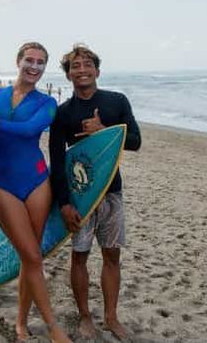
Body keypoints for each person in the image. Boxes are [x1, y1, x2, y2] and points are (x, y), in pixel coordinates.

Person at [0, 42, 72, 343]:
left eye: (41, 62)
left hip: (37, 183)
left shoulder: (47, 104)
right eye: (29, 60)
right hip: (1, 183)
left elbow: (32, 130)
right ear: (18, 61)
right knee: (32, 255)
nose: (34, 66)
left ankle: (20, 323)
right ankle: (53, 327)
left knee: (29, 257)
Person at [49, 44, 141, 340]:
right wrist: (64, 203)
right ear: (69, 75)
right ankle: (85, 316)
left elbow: (135, 141)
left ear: (97, 71)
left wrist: (103, 129)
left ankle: (111, 317)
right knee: (79, 256)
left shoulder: (116, 102)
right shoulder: (62, 114)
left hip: (111, 191)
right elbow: (57, 160)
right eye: (76, 66)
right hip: (80, 196)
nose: (82, 69)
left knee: (112, 256)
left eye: (87, 64)